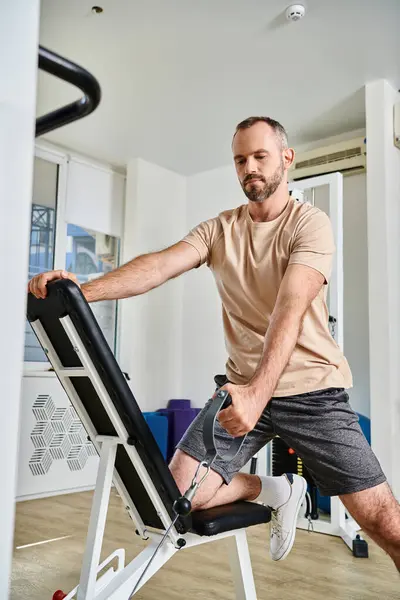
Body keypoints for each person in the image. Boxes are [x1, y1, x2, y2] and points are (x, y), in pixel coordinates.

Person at [28, 116, 400, 569]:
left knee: (384, 522)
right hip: (240, 389)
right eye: (241, 160)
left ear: (287, 158)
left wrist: (259, 394)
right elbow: (158, 266)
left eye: (260, 156)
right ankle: (279, 490)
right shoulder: (220, 229)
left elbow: (289, 308)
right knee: (179, 494)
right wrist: (79, 292)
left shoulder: (310, 224)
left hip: (311, 391)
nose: (250, 168)